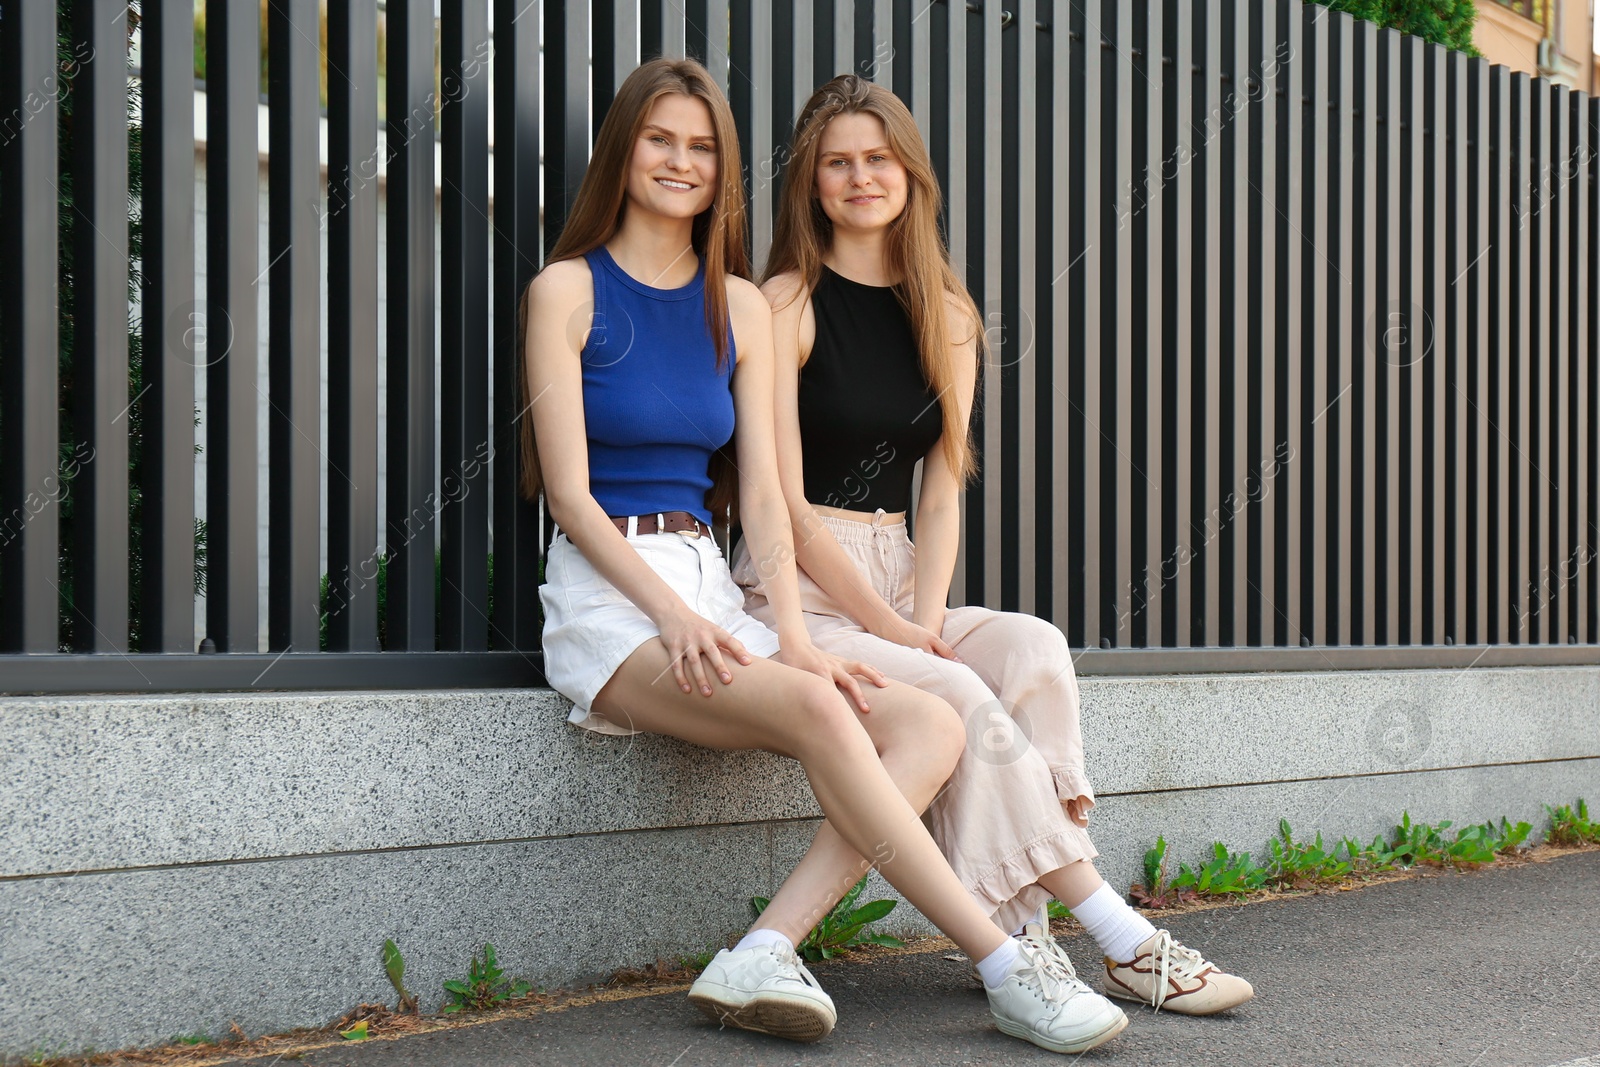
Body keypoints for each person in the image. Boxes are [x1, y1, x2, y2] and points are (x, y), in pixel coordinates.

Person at [520, 57, 1130, 1054]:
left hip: (710, 584)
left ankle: (762, 946)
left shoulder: (739, 305)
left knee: (926, 725)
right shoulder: (565, 290)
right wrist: (673, 617)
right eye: (660, 139)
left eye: (703, 145)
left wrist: (793, 634)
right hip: (611, 600)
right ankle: (1005, 961)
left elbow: (764, 493)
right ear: (622, 150)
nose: (681, 161)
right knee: (820, 709)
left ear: (724, 169)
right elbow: (571, 494)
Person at [733, 73, 1255, 1021]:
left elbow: (940, 488)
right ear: (810, 183)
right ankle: (1119, 936)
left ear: (910, 174)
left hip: (899, 580)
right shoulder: (784, 303)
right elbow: (791, 510)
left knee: (1030, 645)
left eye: (877, 159)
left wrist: (925, 618)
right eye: (837, 163)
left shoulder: (951, 313)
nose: (860, 178)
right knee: (966, 697)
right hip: (796, 596)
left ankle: (1018, 936)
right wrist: (891, 625)